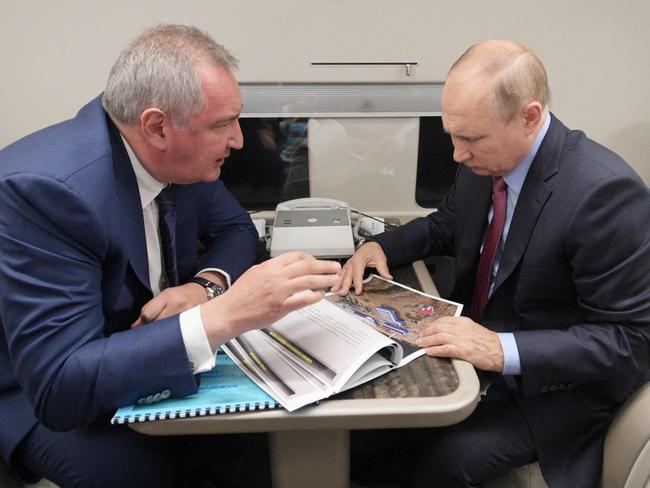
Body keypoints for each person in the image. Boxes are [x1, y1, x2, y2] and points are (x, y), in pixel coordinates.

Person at [0, 24, 340, 487]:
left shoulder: (179, 159)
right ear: (157, 126)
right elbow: (59, 386)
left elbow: (236, 229)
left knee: (257, 447)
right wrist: (222, 315)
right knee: (149, 474)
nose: (239, 140)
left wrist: (206, 288)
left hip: (141, 353)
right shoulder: (44, 194)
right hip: (33, 391)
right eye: (222, 124)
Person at [336, 39, 650, 487]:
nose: (457, 155)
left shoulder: (603, 195)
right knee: (369, 428)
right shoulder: (487, 157)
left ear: (529, 117)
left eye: (470, 139)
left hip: (555, 391)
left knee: (447, 461)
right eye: (452, 136)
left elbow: (630, 341)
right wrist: (383, 247)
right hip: (477, 359)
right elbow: (448, 224)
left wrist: (501, 349)